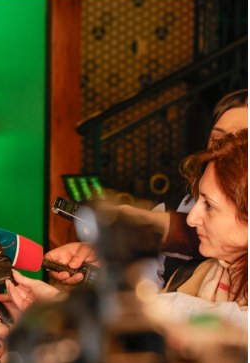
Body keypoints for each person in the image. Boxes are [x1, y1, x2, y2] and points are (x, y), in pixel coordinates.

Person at [49, 89, 248, 288]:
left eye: (241, 145)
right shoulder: (177, 207)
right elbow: (147, 286)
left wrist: (141, 222)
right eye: (218, 141)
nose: (225, 153)